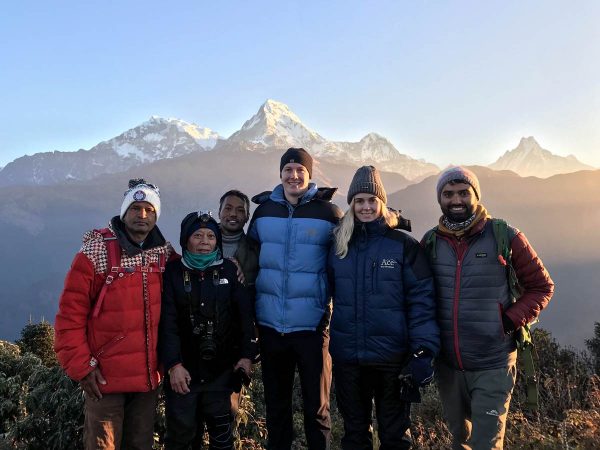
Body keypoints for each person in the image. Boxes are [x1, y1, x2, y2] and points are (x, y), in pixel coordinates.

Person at [423, 166, 554, 450]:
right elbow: (418, 294)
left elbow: (542, 287)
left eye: (463, 192)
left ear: (475, 195)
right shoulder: (432, 241)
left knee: (486, 444)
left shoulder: (505, 235)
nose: (456, 199)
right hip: (448, 366)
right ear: (440, 199)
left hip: (493, 363)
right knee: (460, 440)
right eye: (448, 194)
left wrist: (507, 322)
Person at [54, 178, 174, 450]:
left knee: (140, 444)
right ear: (124, 211)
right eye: (135, 208)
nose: (142, 215)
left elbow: (190, 283)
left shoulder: (163, 255)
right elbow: (69, 317)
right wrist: (82, 367)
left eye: (149, 209)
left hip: (147, 378)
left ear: (156, 215)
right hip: (105, 378)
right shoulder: (96, 252)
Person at [328, 166, 440, 450]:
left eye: (371, 200)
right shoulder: (338, 244)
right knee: (354, 435)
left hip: (392, 358)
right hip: (348, 357)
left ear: (382, 202)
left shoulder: (403, 245)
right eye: (359, 201)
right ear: (351, 204)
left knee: (394, 436)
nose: (366, 207)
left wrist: (423, 350)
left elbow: (422, 301)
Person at [248, 148, 343, 450]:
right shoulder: (263, 213)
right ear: (280, 174)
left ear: (309, 174)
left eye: (299, 170)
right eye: (288, 169)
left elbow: (348, 254)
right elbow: (248, 258)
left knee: (317, 410)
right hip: (270, 326)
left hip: (312, 328)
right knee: (276, 410)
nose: (293, 175)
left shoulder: (329, 213)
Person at [159, 211, 257, 450]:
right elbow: (167, 323)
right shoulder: (172, 273)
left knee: (222, 439)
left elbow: (245, 318)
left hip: (223, 372)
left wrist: (246, 357)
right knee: (181, 439)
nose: (205, 242)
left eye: (211, 236)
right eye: (198, 235)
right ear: (185, 239)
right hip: (184, 373)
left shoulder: (229, 271)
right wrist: (173, 365)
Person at [218, 189, 259, 289]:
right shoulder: (201, 244)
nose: (233, 214)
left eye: (240, 210)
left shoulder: (256, 250)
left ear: (247, 217)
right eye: (228, 208)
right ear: (219, 213)